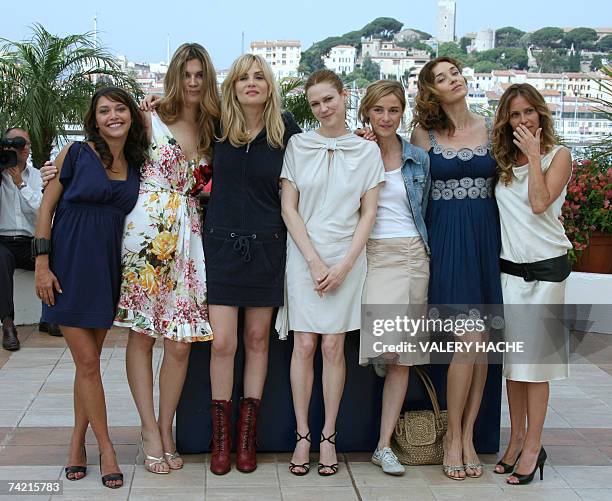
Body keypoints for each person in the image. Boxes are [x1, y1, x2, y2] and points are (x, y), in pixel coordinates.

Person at [115, 43, 219, 475]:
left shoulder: (217, 126)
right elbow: (107, 156)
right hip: (146, 233)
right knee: (142, 335)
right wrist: (55, 173)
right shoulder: (149, 117)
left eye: (200, 74)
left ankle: (166, 425)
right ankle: (149, 429)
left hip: (191, 237)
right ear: (175, 76)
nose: (193, 82)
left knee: (178, 343)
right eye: (186, 74)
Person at [34, 86, 146, 488]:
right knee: (87, 364)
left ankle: (75, 443)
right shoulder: (76, 153)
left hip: (106, 271)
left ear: (131, 115)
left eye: (120, 108)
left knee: (89, 368)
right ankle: (107, 449)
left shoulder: (135, 162)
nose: (113, 116)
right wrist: (42, 265)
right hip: (67, 267)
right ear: (93, 119)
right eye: (104, 110)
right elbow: (46, 207)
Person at [278, 69, 384, 476]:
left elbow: (369, 212)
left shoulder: (367, 151)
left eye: (329, 99)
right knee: (304, 346)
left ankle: (329, 436)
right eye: (316, 103)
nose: (323, 109)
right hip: (304, 256)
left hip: (347, 258)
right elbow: (289, 208)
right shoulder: (298, 146)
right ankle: (302, 435)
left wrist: (342, 266)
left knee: (333, 348)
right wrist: (315, 261)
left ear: (343, 96)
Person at [203, 54, 301, 475]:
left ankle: (247, 438)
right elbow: (173, 129)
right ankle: (221, 438)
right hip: (221, 248)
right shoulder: (216, 127)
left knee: (258, 340)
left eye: (260, 76)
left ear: (270, 85)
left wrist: (362, 140)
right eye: (244, 77)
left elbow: (323, 161)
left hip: (267, 247)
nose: (252, 83)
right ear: (233, 86)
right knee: (224, 343)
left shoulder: (288, 132)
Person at [411, 56, 502, 480]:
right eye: (443, 78)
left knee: (482, 344)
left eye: (456, 73)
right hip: (446, 241)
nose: (454, 80)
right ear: (433, 91)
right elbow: (410, 192)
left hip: (486, 240)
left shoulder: (491, 127)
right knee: (467, 340)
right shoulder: (422, 134)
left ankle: (467, 435)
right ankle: (451, 438)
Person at [493, 83, 572, 485]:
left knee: (535, 367)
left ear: (540, 114)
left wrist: (534, 156)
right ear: (506, 120)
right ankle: (516, 438)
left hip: (546, 274)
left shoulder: (558, 156)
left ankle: (533, 446)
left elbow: (540, 204)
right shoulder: (503, 163)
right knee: (513, 367)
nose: (523, 120)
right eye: (515, 114)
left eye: (529, 112)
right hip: (510, 274)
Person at [356, 80, 431, 476]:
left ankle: (383, 446)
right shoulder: (357, 150)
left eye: (393, 110)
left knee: (403, 357)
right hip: (373, 255)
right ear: (367, 111)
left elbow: (425, 209)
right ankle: (385, 358)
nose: (386, 118)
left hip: (414, 255)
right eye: (379, 110)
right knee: (388, 350)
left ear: (402, 114)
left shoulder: (417, 158)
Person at [0, 127, 60, 352]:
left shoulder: (38, 176)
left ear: (28, 148)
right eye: (11, 144)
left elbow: (42, 212)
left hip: (29, 241)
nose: (18, 148)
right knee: (0, 259)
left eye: (22, 143)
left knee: (58, 256)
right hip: (2, 241)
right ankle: (8, 324)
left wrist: (20, 184)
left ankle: (49, 316)